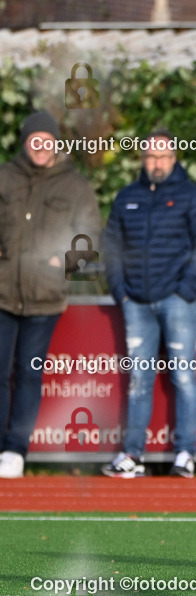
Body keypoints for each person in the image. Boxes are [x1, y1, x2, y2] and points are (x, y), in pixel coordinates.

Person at [101, 129, 196, 478]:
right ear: (142, 160)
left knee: (183, 377)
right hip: (135, 302)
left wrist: (187, 289)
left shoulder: (191, 195)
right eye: (151, 157)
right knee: (139, 379)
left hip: (177, 301)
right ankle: (132, 455)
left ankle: (185, 453)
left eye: (163, 157)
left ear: (174, 158)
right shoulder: (127, 197)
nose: (157, 163)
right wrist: (119, 291)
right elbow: (111, 248)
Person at [0, 111, 101, 478]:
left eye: (46, 140)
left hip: (45, 296)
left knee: (28, 374)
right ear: (25, 142)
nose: (40, 147)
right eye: (33, 140)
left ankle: (14, 450)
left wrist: (67, 259)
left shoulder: (75, 185)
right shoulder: (5, 177)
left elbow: (90, 234)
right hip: (3, 292)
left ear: (55, 143)